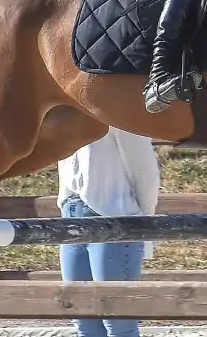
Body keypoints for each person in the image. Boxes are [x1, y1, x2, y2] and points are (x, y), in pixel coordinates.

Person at [57, 127, 160, 337]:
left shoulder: (122, 116)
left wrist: (145, 227)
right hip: (72, 217)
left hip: (113, 219)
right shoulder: (64, 114)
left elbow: (145, 172)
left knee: (118, 321)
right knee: (81, 316)